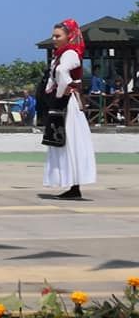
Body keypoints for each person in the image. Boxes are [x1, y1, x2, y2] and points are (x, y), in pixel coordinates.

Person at [43, 19, 96, 200]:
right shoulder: (62, 54)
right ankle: (73, 185)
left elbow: (62, 73)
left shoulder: (70, 53)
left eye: (58, 36)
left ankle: (73, 185)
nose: (54, 39)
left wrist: (58, 93)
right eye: (54, 35)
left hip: (67, 103)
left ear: (69, 36)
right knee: (67, 142)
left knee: (68, 141)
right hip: (65, 102)